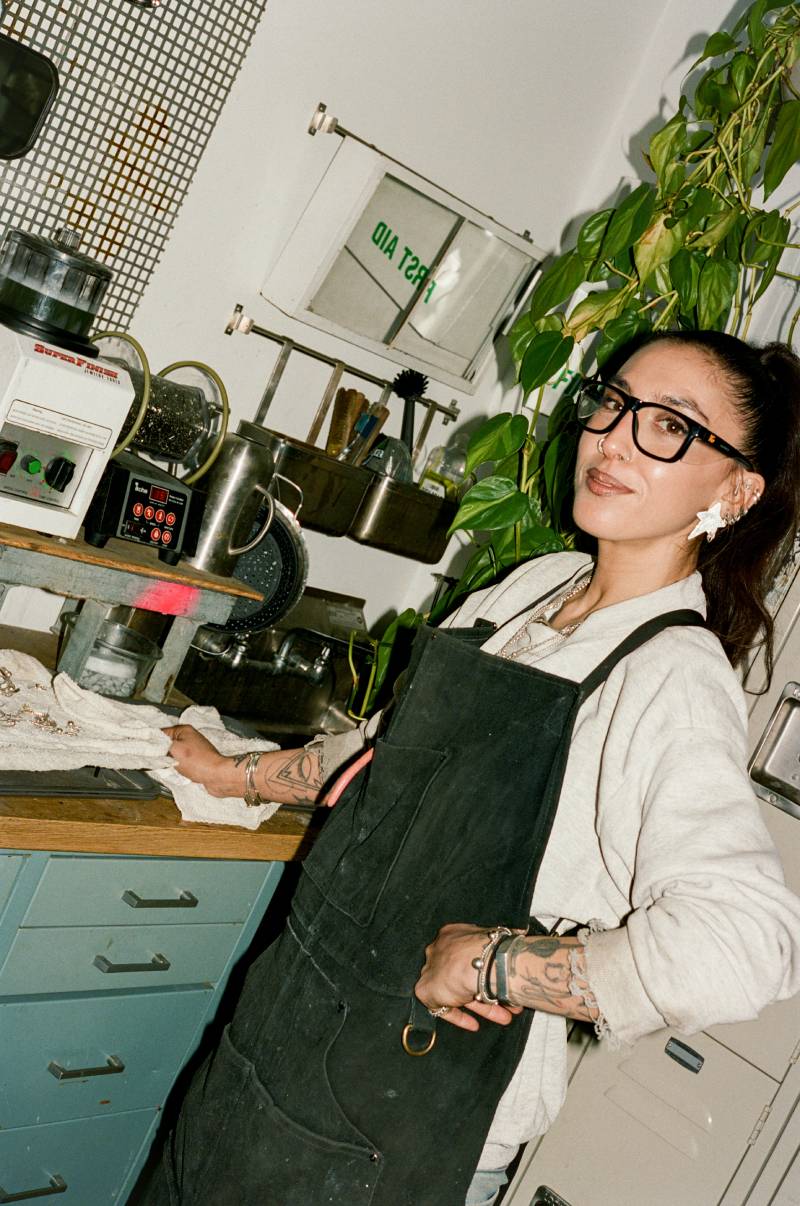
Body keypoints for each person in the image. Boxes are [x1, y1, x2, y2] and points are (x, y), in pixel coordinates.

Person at [142, 330, 800, 1206]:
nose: (613, 438)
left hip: (400, 1123)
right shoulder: (538, 585)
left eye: (670, 427)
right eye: (614, 403)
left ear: (735, 490)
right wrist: (240, 775)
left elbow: (746, 944)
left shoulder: (672, 675)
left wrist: (500, 964)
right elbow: (387, 745)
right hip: (282, 1042)